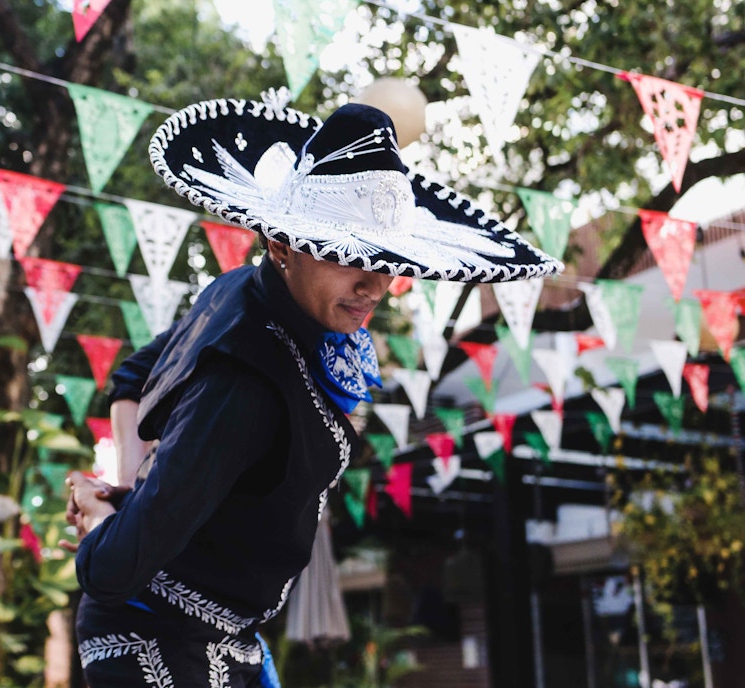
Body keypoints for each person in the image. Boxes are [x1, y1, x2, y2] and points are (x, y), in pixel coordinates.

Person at [63, 90, 561, 687]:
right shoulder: (244, 379)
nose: (376, 285)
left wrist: (126, 481)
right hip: (156, 641)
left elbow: (134, 374)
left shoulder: (249, 296)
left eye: (389, 260)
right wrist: (103, 515)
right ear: (281, 245)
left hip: (230, 639)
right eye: (350, 256)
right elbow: (112, 569)